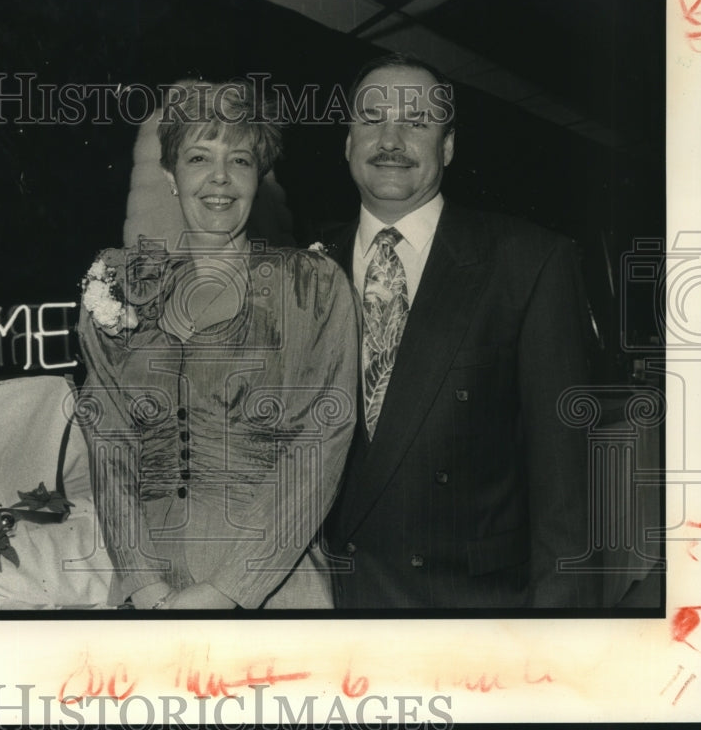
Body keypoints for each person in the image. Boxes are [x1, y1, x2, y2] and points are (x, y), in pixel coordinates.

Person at [324, 53, 601, 608]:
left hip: (471, 615)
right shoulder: (306, 266)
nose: (392, 138)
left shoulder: (528, 260)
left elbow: (566, 495)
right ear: (348, 142)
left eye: (418, 123)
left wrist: (561, 650)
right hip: (332, 607)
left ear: (447, 147)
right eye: (372, 120)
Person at [76, 80, 359, 609]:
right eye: (199, 157)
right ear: (170, 173)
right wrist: (144, 582)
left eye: (242, 160)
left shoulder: (312, 287)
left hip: (273, 581)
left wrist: (227, 590)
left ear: (260, 177)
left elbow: (320, 443)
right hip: (148, 585)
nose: (220, 179)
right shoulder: (117, 287)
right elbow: (108, 442)